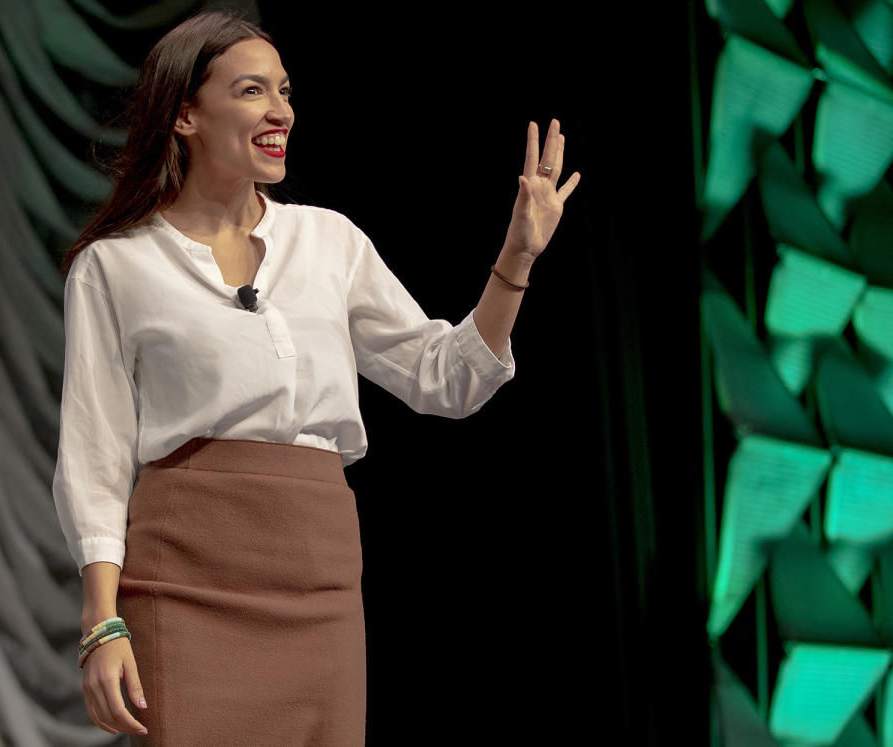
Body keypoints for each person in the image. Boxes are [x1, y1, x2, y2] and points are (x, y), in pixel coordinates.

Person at [51, 9, 580, 745]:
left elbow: (447, 378)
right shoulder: (115, 266)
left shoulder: (329, 241)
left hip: (318, 570)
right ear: (184, 116)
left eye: (285, 90)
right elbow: (94, 457)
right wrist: (101, 622)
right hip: (184, 574)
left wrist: (517, 258)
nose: (281, 111)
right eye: (251, 91)